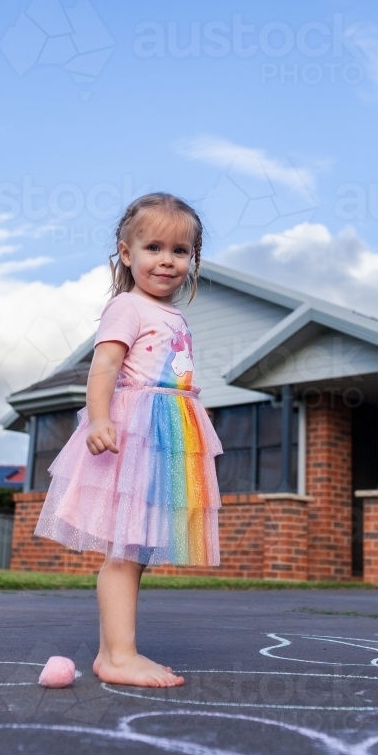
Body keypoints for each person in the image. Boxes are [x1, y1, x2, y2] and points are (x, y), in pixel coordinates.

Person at [34, 192, 222, 687]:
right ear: (126, 252)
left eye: (180, 251)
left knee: (135, 551)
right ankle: (119, 656)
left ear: (193, 259)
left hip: (165, 430)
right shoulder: (126, 306)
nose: (167, 260)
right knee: (124, 550)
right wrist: (98, 420)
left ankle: (110, 653)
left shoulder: (173, 316)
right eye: (154, 247)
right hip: (134, 431)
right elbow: (105, 366)